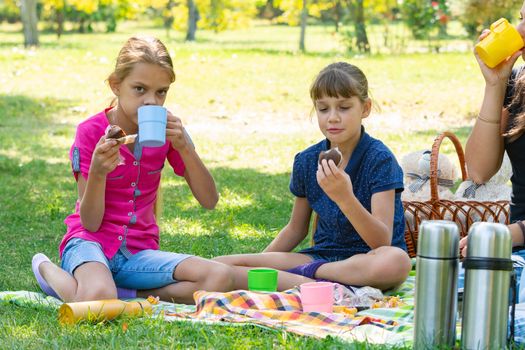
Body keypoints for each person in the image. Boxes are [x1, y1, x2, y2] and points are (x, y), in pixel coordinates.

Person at [31, 35, 234, 304]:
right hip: (90, 244)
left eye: (161, 92)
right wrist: (99, 172)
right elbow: (90, 223)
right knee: (98, 297)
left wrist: (185, 147)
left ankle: (126, 295)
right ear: (116, 85)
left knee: (218, 278)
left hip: (139, 253)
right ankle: (46, 268)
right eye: (140, 89)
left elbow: (209, 200)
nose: (152, 101)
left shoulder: (169, 133)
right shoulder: (90, 132)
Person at [214, 62, 412, 291]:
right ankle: (312, 281)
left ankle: (309, 278)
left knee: (396, 261)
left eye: (344, 107)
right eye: (323, 108)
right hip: (319, 256)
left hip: (368, 259)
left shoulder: (379, 159)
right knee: (224, 264)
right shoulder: (308, 160)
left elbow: (381, 241)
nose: (333, 118)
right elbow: (296, 229)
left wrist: (345, 198)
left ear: (365, 108)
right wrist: (259, 263)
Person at [460, 3, 525, 258]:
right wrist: (495, 85)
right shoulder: (517, 84)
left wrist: (507, 234)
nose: (520, 29)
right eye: (521, 18)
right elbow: (479, 171)